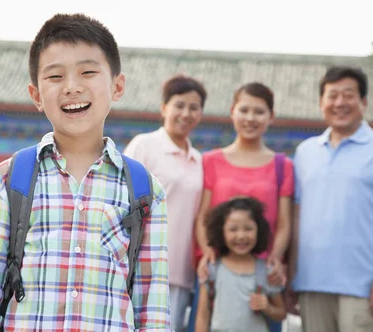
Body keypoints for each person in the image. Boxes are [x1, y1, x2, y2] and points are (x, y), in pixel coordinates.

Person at [0, 14, 171, 331]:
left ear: (117, 86)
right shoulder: (8, 180)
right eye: (55, 77)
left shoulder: (145, 191)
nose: (71, 87)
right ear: (37, 95)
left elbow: (153, 316)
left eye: (88, 72)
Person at [287, 66, 373, 332]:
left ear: (364, 102)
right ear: (321, 103)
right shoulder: (305, 152)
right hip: (312, 283)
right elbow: (297, 217)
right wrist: (292, 276)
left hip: (364, 286)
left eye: (348, 95)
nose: (340, 103)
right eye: (332, 95)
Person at [189, 82, 294, 332]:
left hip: (261, 277)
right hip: (219, 274)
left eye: (259, 112)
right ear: (232, 112)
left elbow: (284, 223)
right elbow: (203, 216)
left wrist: (275, 259)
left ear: (271, 117)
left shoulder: (283, 165)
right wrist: (207, 253)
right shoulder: (211, 160)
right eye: (244, 110)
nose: (250, 118)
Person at [124, 74, 207, 331]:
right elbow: (121, 202)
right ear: (164, 108)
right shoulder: (144, 146)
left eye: (194, 107)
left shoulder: (199, 160)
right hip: (141, 265)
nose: (186, 113)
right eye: (179, 105)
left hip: (181, 271)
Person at [195, 198, 286, 332]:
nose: (241, 235)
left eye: (248, 229)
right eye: (233, 229)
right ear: (222, 232)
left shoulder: (267, 271)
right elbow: (203, 315)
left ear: (259, 230)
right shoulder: (213, 269)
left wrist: (267, 307)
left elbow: (281, 314)